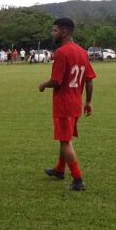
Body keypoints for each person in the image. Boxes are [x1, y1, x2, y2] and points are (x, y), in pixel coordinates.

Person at [38, 17, 96, 191]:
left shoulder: (62, 52)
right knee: (65, 138)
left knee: (65, 141)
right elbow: (89, 80)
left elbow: (56, 81)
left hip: (64, 104)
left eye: (54, 30)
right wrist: (88, 102)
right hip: (76, 103)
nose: (52, 33)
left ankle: (78, 179)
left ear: (64, 32)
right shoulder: (82, 52)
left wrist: (43, 85)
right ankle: (59, 169)